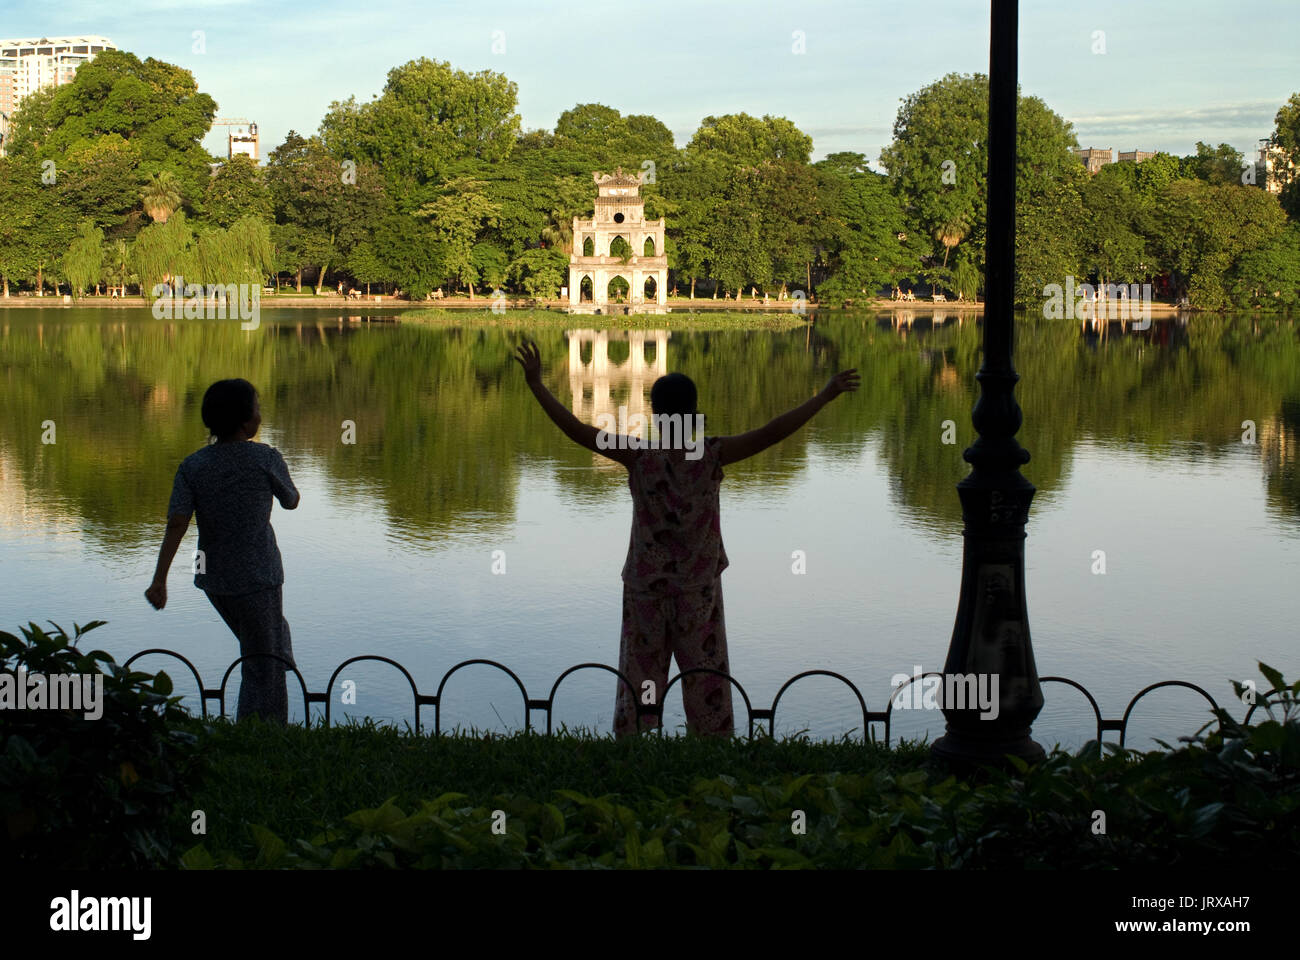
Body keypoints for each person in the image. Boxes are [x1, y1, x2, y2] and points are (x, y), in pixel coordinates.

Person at [513, 339, 859, 738]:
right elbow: (772, 432)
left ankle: (634, 750)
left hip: (647, 588)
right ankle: (711, 753)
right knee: (706, 679)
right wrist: (826, 395)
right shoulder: (711, 455)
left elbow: (578, 430)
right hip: (697, 591)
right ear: (693, 414)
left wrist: (537, 384)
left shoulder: (639, 456)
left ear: (656, 414)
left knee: (640, 680)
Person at [144, 379, 301, 723]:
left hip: (213, 577)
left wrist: (160, 580)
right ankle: (263, 731)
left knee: (264, 646)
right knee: (264, 663)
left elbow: (177, 522)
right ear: (247, 420)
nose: (261, 413)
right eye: (257, 407)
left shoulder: (193, 466)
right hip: (259, 575)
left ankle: (265, 705)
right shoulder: (265, 457)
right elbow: (291, 501)